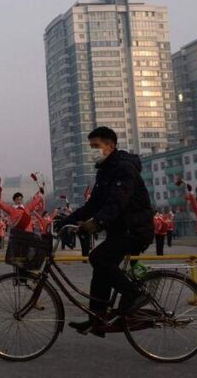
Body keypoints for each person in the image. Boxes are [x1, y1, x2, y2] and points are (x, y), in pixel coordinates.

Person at [57, 127, 154, 337]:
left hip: (135, 229)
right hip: (120, 230)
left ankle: (134, 294)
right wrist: (64, 221)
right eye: (91, 147)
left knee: (99, 258)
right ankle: (97, 318)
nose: (93, 150)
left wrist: (97, 222)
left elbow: (117, 202)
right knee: (100, 266)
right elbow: (93, 204)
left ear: (110, 145)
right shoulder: (105, 170)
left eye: (96, 146)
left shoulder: (124, 168)